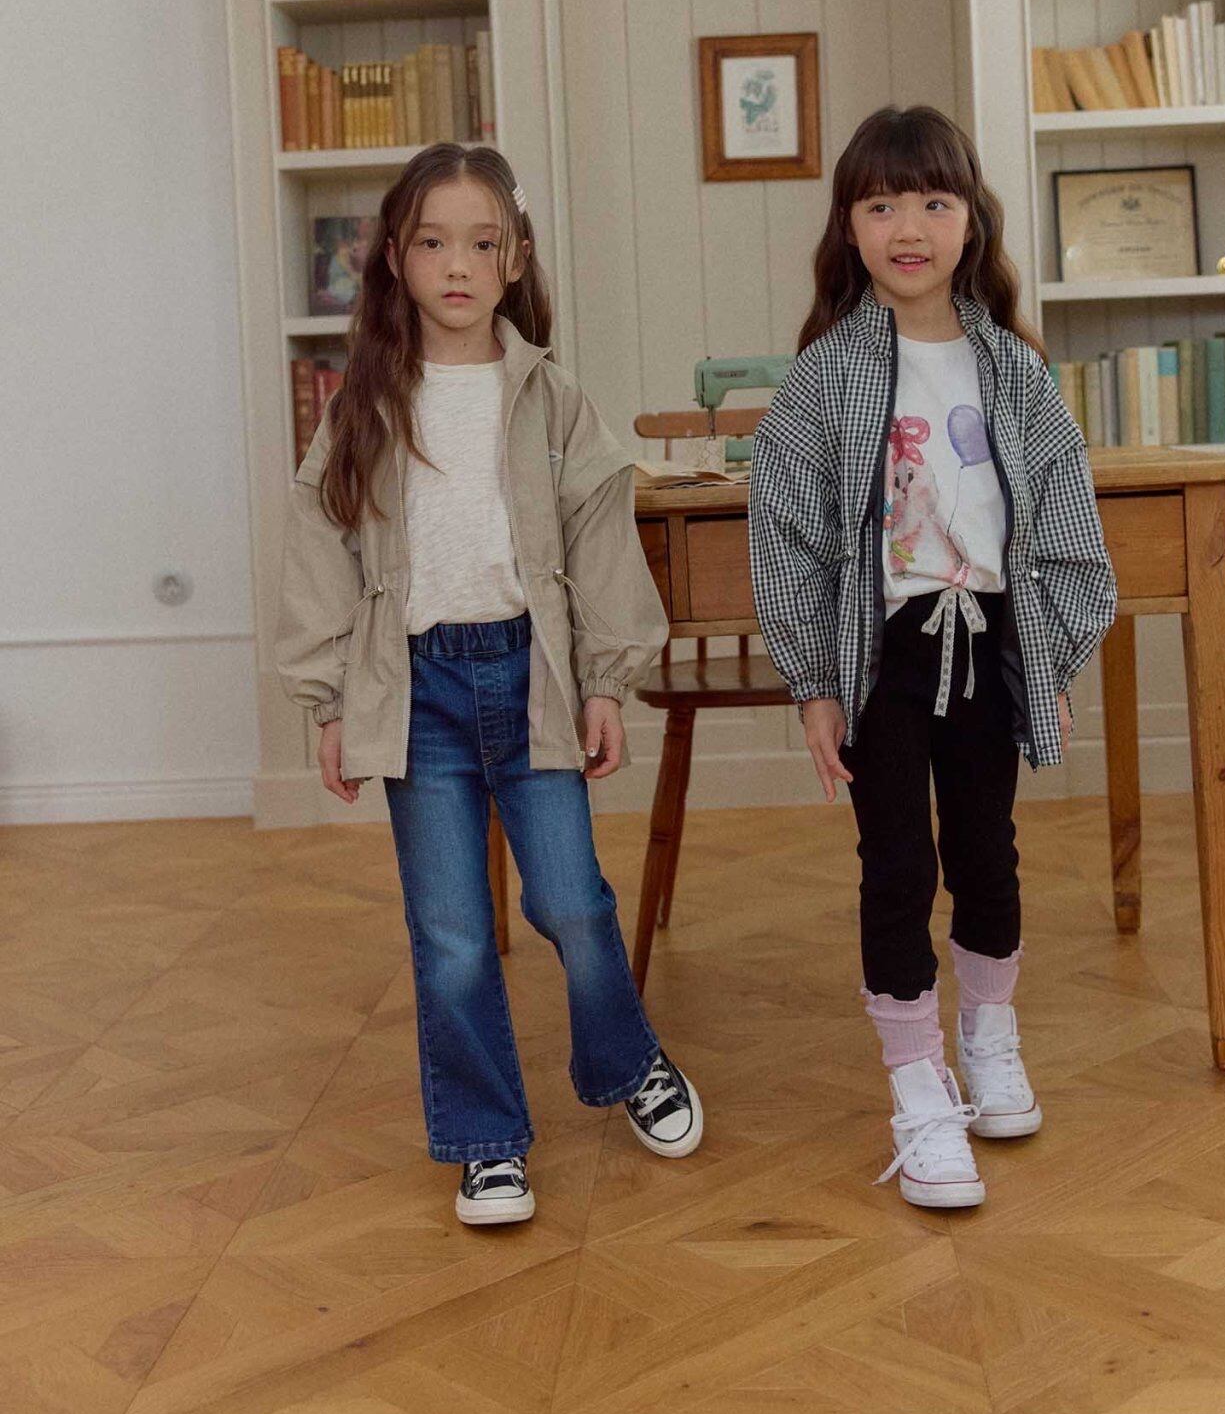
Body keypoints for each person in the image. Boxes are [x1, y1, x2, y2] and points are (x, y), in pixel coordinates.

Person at [275, 142, 703, 1228]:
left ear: (515, 258)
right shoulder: (363, 405)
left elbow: (600, 542)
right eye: (432, 243)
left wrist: (604, 680)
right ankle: (486, 1141)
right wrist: (329, 703)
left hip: (533, 678)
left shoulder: (551, 399)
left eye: (480, 244)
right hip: (414, 691)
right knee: (453, 935)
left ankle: (628, 1061)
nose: (456, 265)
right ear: (394, 257)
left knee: (570, 901)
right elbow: (320, 549)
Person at [748, 106, 1117, 1210]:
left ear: (970, 220)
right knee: (898, 864)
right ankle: (916, 1086)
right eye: (880, 205)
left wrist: (1049, 656)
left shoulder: (1016, 373)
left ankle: (988, 1038)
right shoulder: (823, 380)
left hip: (990, 642)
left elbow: (1067, 526)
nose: (907, 227)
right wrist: (815, 685)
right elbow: (788, 539)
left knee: (987, 852)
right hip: (883, 654)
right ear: (848, 227)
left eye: (932, 202)